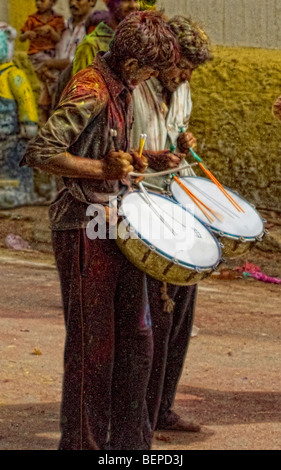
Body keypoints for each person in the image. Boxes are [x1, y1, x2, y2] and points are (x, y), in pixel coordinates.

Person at [22, 10, 180, 450]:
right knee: (94, 345)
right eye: (150, 69)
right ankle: (83, 444)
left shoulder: (123, 88)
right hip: (82, 225)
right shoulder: (90, 88)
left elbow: (105, 147)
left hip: (116, 221)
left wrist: (132, 158)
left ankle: (130, 447)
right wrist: (101, 167)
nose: (152, 77)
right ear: (132, 64)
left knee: (138, 338)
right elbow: (42, 151)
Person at [130, 15, 213, 433]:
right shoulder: (134, 87)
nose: (184, 76)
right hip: (141, 208)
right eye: (181, 66)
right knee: (153, 317)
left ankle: (162, 406)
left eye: (191, 71)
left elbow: (177, 128)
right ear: (164, 56)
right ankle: (138, 414)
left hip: (177, 204)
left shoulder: (182, 90)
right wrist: (152, 157)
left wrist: (184, 140)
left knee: (181, 312)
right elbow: (121, 148)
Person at [0, 26, 38, 209]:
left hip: (13, 133)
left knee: (14, 159)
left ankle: (20, 190)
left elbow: (25, 98)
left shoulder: (13, 74)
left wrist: (28, 121)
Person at [37, 0, 97, 111]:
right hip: (56, 95)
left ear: (92, 2)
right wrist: (46, 68)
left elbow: (83, 62)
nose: (73, 3)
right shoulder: (61, 27)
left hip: (81, 99)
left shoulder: (96, 29)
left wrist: (50, 63)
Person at [20, 0, 65, 124]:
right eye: (36, 1)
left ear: (52, 3)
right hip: (37, 55)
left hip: (52, 54)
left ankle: (46, 112)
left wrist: (50, 30)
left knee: (47, 83)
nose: (38, 3)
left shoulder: (57, 19)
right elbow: (21, 37)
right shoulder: (32, 19)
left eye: (42, 0)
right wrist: (27, 34)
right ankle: (54, 107)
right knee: (53, 83)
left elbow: (58, 39)